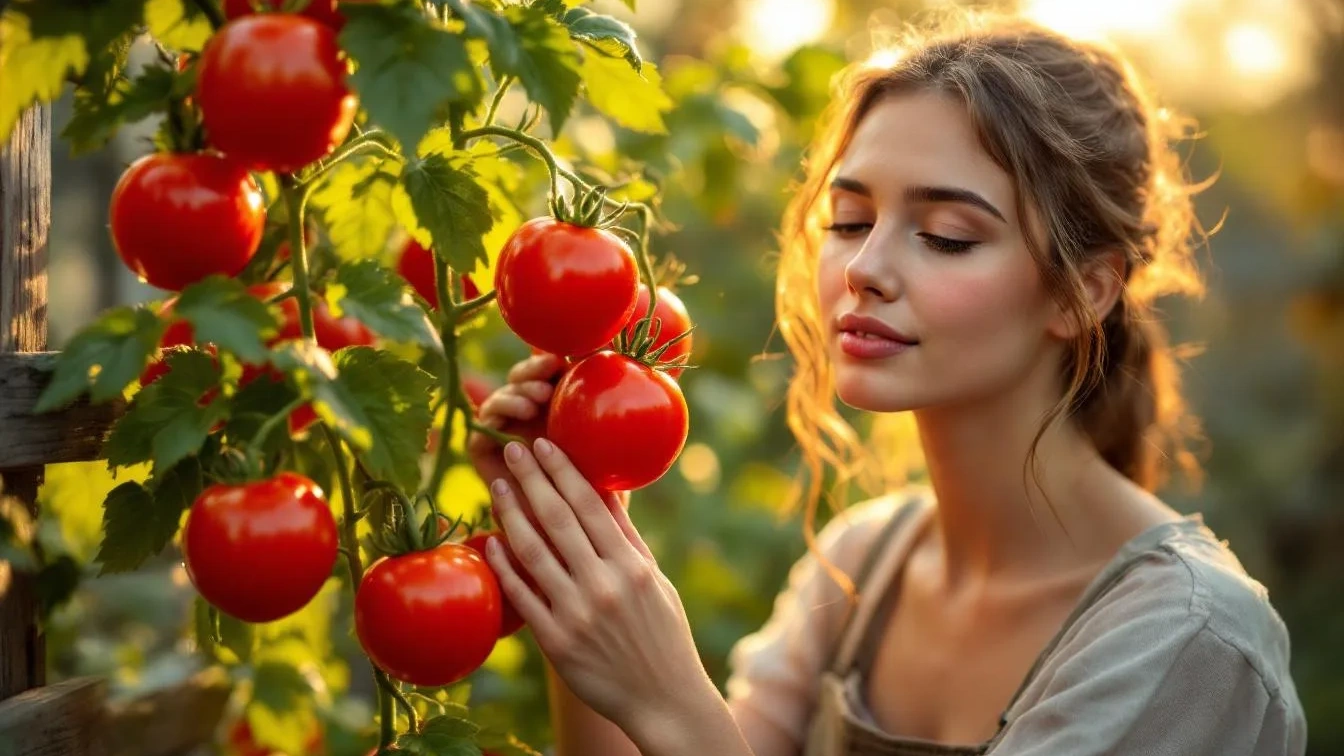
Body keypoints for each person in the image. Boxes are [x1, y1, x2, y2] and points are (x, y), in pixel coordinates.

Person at [466, 11, 1307, 756]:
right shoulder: (864, 563)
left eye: (945, 236)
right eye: (850, 221)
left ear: (1083, 291)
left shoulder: (1187, 645)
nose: (864, 268)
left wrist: (671, 697)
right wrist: (577, 549)